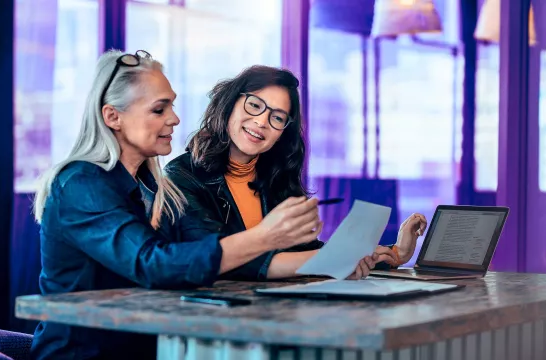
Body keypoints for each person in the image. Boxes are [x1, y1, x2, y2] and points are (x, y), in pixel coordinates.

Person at [30, 50, 359, 360]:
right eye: (159, 109)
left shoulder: (155, 187)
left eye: (171, 106)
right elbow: (152, 264)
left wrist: (347, 256)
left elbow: (202, 251)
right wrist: (265, 237)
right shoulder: (81, 184)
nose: (174, 118)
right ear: (113, 116)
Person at [165, 65, 428, 281]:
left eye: (277, 117)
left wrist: (394, 253)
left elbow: (303, 252)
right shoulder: (181, 177)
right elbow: (220, 259)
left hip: (277, 311)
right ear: (230, 103)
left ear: (283, 132)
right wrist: (334, 261)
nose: (261, 122)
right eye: (254, 105)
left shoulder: (274, 177)